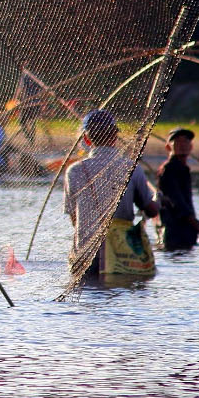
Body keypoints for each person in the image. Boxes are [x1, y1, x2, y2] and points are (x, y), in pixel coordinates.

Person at [64, 110, 160, 277]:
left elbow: (74, 219)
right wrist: (158, 200)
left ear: (86, 139)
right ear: (115, 136)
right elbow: (150, 210)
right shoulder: (132, 168)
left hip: (85, 256)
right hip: (121, 255)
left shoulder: (74, 171)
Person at [156, 127, 199, 250]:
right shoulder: (169, 170)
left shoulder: (183, 169)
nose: (182, 145)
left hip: (185, 235)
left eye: (185, 141)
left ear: (191, 146)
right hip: (175, 235)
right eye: (177, 142)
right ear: (168, 147)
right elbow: (179, 206)